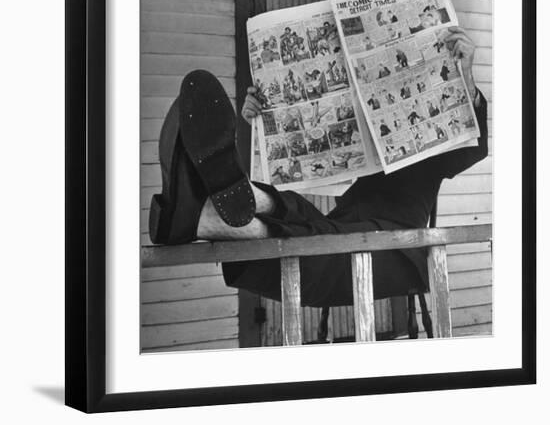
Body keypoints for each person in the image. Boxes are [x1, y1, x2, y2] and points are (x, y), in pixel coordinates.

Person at [151, 27, 487, 308]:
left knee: (322, 243)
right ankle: (222, 200)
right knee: (297, 209)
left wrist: (466, 80)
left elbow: (474, 149)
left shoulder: (440, 143)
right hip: (346, 221)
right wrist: (265, 115)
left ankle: (196, 215)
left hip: (399, 243)